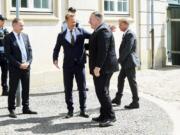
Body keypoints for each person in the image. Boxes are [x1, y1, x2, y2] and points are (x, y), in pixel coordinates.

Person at [53, 12, 91, 118]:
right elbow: (56, 48)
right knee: (68, 89)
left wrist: (87, 48)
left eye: (75, 21)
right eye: (72, 21)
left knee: (82, 88)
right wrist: (55, 59)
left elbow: (94, 37)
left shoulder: (81, 31)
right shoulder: (61, 35)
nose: (74, 23)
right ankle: (70, 110)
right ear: (67, 22)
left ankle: (83, 110)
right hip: (67, 66)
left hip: (80, 65)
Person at [88, 11, 119, 127]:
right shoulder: (99, 30)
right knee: (101, 91)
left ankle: (111, 117)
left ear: (97, 19)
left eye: (90, 19)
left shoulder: (103, 30)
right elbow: (95, 46)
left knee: (102, 91)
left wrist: (98, 67)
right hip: (102, 67)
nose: (89, 21)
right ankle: (103, 114)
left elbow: (103, 51)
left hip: (104, 68)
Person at [4, 18, 37, 118]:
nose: (23, 27)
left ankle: (25, 108)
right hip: (15, 68)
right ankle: (11, 109)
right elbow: (8, 55)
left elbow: (30, 51)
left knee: (26, 88)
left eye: (23, 25)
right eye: (21, 25)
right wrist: (19, 64)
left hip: (26, 67)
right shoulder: (8, 37)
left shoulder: (25, 36)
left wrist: (28, 62)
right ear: (14, 25)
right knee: (13, 89)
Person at [111, 18, 140, 109]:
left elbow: (128, 49)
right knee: (120, 79)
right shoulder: (127, 33)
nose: (119, 26)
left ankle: (135, 102)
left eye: (120, 25)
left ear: (125, 24)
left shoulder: (130, 34)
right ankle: (118, 98)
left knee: (132, 82)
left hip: (129, 62)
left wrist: (119, 60)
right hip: (126, 62)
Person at [0, 15, 9, 96]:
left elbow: (8, 40)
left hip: (4, 55)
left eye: (4, 20)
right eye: (2, 20)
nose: (3, 22)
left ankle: (5, 89)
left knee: (5, 72)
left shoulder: (5, 30)